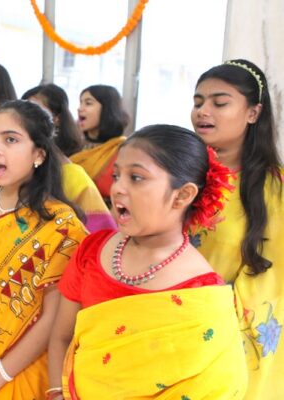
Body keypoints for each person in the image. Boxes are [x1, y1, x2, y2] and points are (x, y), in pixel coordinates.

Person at [48, 125, 247, 400]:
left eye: (136, 178)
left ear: (182, 195)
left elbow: (214, 387)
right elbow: (60, 337)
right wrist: (57, 393)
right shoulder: (92, 250)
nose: (118, 188)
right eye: (117, 175)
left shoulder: (203, 296)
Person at [0, 100, 87, 399]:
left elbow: (54, 317)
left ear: (39, 154)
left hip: (22, 372)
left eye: (11, 140)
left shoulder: (61, 225)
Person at [191, 59, 284, 399]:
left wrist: (209, 312)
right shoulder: (180, 173)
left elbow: (275, 280)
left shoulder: (274, 190)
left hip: (230, 337)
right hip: (166, 323)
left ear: (253, 113)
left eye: (220, 102)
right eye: (198, 101)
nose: (203, 111)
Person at [23, 84, 115, 232]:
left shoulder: (70, 172)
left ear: (56, 118)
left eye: (88, 103)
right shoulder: (19, 168)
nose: (80, 108)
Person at [69, 85, 130, 202]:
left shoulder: (121, 150)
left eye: (88, 103)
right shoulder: (75, 145)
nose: (80, 108)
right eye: (80, 102)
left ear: (107, 109)